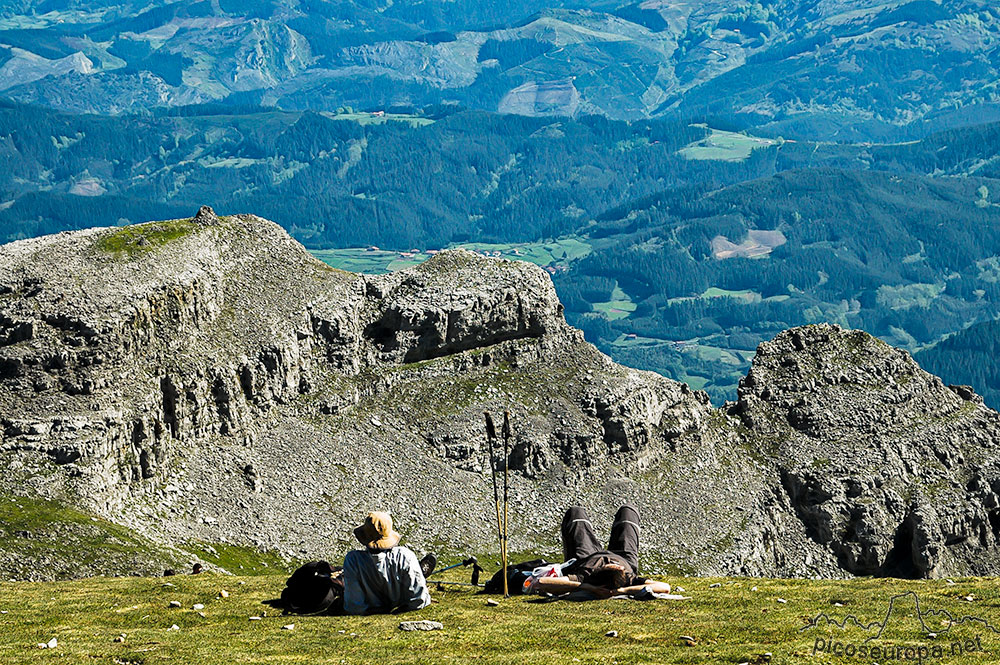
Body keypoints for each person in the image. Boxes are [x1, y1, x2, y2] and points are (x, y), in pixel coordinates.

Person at [531, 505, 672, 599]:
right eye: (620, 569)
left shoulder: (586, 575)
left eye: (616, 568)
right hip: (625, 557)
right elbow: (665, 587)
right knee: (628, 511)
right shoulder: (629, 578)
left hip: (586, 557)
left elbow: (541, 582)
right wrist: (622, 591)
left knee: (575, 513)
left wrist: (588, 587)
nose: (618, 566)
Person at [341, 511, 431, 615]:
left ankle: (421, 572)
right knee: (413, 572)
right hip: (399, 601)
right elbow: (419, 600)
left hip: (371, 607)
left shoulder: (353, 560)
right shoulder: (404, 555)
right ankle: (421, 572)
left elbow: (354, 606)